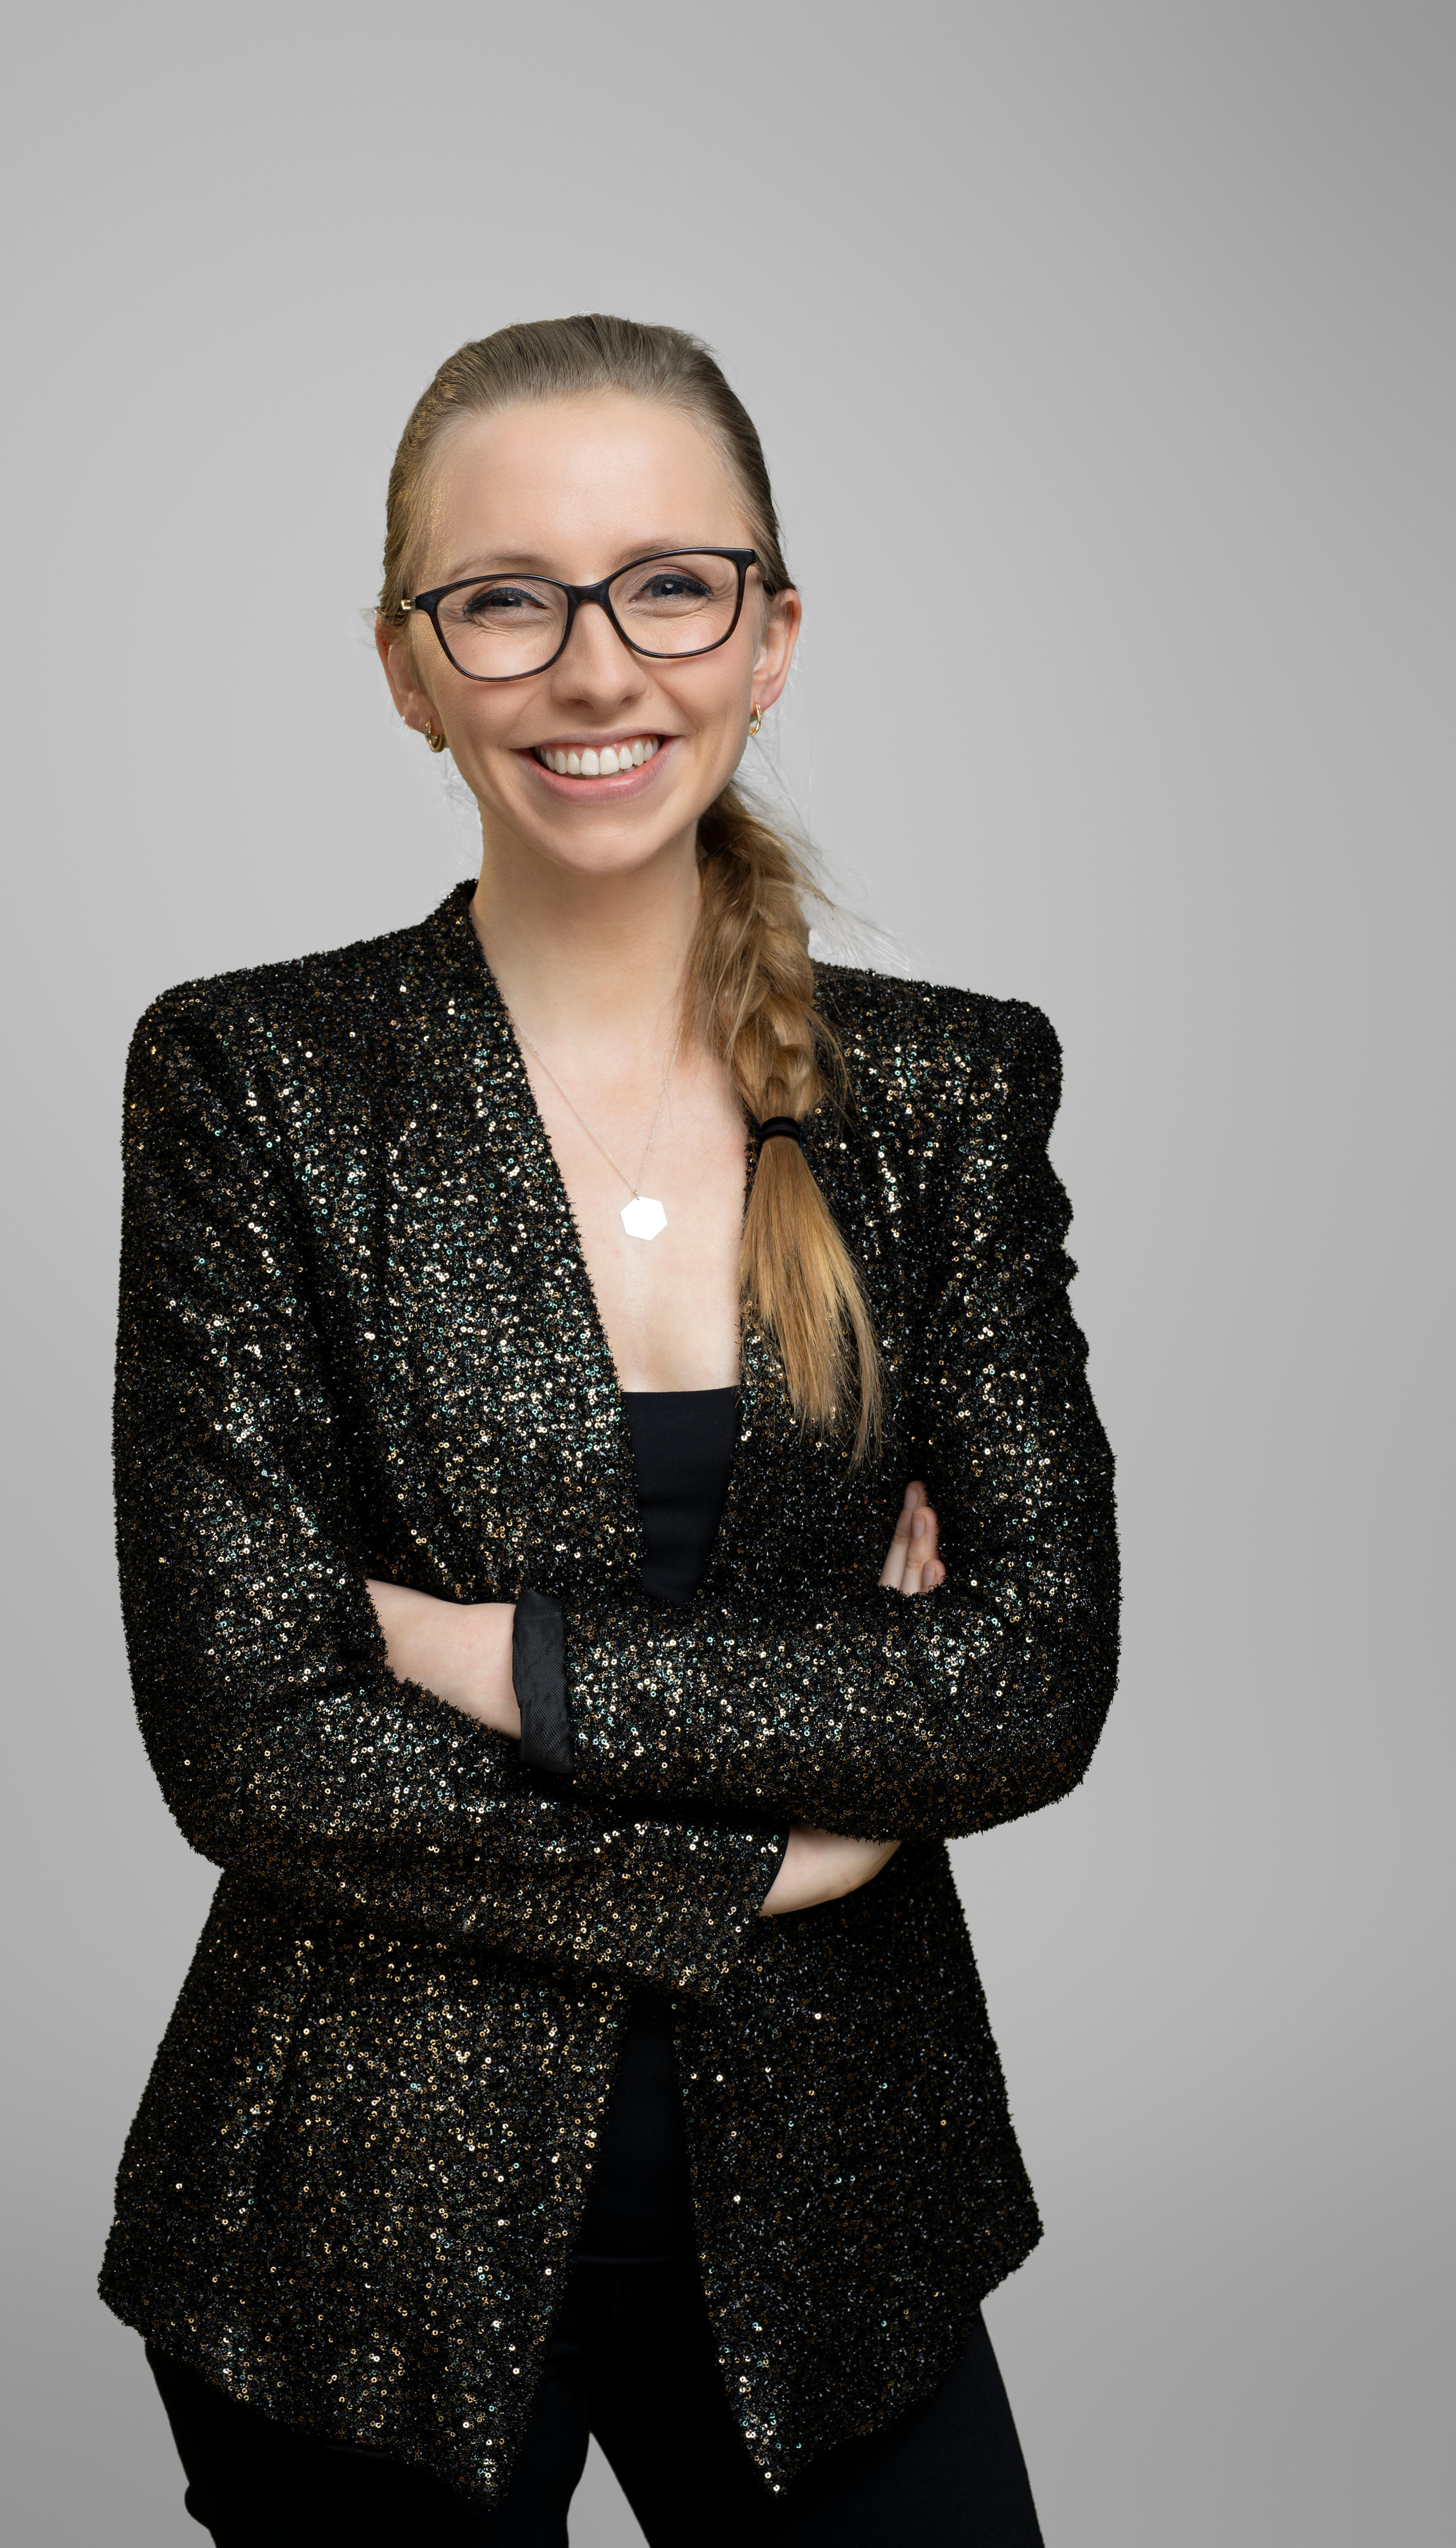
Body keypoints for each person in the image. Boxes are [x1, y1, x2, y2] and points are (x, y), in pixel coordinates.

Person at [101, 314, 1119, 2545]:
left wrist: (492, 1658)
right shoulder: (255, 1080)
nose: (596, 668)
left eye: (671, 586)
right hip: (358, 2214)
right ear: (409, 666)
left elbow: (1029, 1676)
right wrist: (785, 1835)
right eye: (507, 599)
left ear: (771, 637)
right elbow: (249, 1734)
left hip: (848, 2200)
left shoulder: (945, 1094)